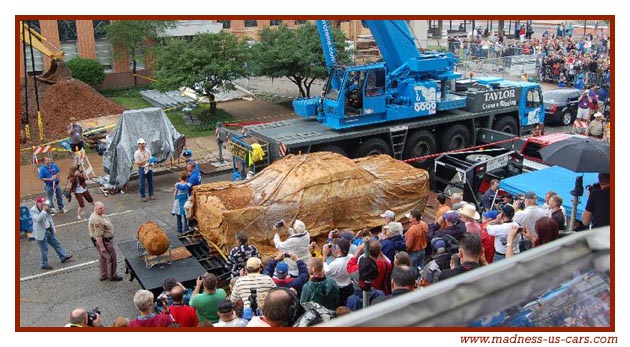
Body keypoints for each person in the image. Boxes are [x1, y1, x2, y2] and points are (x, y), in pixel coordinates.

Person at [31, 196, 73, 270]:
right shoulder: (33, 210)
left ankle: (63, 256)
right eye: (42, 204)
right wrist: (44, 211)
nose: (43, 205)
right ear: (38, 203)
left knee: (56, 243)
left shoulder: (46, 208)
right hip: (41, 232)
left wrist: (49, 209)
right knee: (44, 249)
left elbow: (54, 211)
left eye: (44, 203)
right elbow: (38, 219)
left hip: (48, 230)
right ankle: (44, 264)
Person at [88, 201, 122, 281]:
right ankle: (112, 275)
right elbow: (98, 235)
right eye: (100, 208)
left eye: (103, 207)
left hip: (102, 241)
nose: (103, 209)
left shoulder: (98, 215)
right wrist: (102, 246)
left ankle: (104, 275)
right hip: (105, 242)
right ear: (96, 209)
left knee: (103, 258)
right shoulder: (97, 220)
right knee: (112, 258)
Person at [321, 238, 353, 307]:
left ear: (339, 250)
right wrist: (333, 251)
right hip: (349, 286)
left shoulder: (335, 264)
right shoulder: (351, 257)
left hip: (339, 289)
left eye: (337, 247)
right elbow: (341, 257)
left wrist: (324, 255)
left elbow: (326, 271)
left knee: (339, 305)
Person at [134, 138, 154, 202]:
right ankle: (143, 196)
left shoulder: (148, 151)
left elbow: (150, 158)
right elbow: (138, 163)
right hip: (142, 168)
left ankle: (151, 194)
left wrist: (152, 162)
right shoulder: (137, 153)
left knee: (150, 182)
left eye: (143, 144)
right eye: (141, 144)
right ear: (138, 145)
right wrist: (146, 159)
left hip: (148, 167)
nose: (142, 145)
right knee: (142, 183)